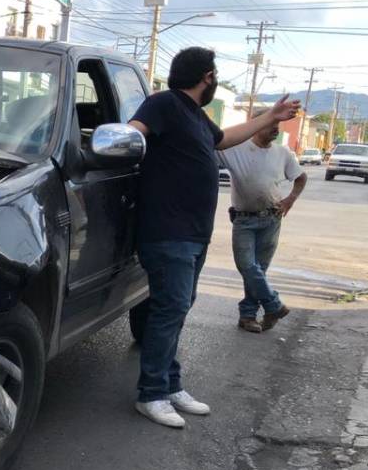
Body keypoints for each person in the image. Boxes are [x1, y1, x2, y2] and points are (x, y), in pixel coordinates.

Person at [127, 47, 299, 429]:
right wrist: (117, 143)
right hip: (167, 232)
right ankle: (151, 394)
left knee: (178, 308)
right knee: (169, 309)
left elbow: (224, 138)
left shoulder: (195, 116)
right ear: (207, 77)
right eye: (215, 74)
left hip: (193, 234)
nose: (216, 79)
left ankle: (169, 384)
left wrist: (269, 116)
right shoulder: (163, 104)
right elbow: (132, 134)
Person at [222, 109, 307, 333]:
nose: (276, 129)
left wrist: (290, 200)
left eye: (278, 124)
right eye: (272, 123)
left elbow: (301, 177)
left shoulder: (283, 153)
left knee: (259, 270)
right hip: (244, 220)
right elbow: (212, 141)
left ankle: (248, 316)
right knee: (248, 266)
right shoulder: (234, 149)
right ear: (257, 124)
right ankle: (274, 305)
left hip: (271, 219)